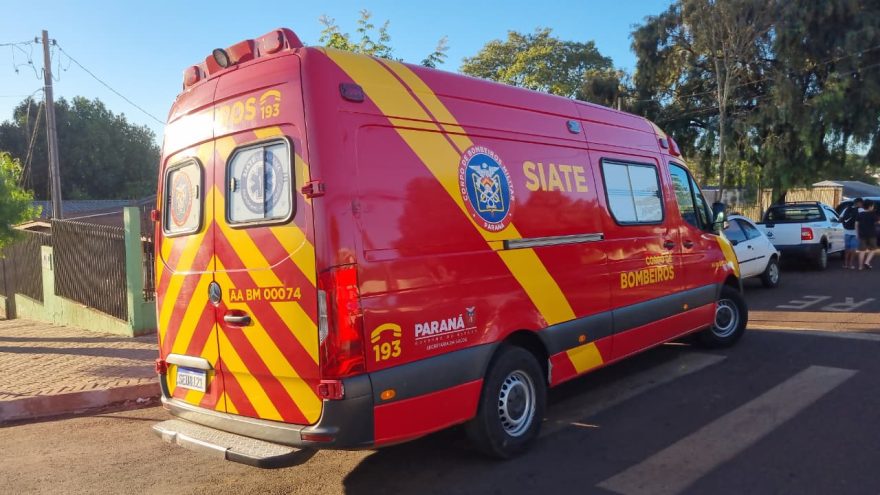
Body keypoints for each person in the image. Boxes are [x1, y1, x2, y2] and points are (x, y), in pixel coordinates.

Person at [840, 198, 863, 269]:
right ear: (859, 203)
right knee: (853, 249)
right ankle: (851, 264)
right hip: (856, 232)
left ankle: (846, 264)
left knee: (847, 249)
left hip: (846, 231)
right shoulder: (861, 210)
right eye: (861, 203)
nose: (862, 205)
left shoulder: (846, 209)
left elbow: (840, 218)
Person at [856, 200, 879, 270]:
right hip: (872, 234)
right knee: (873, 249)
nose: (873, 207)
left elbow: (856, 224)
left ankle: (860, 266)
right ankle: (867, 262)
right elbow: (878, 222)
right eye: (872, 206)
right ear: (870, 207)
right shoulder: (873, 215)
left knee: (862, 251)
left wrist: (857, 234)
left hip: (862, 234)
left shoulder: (860, 214)